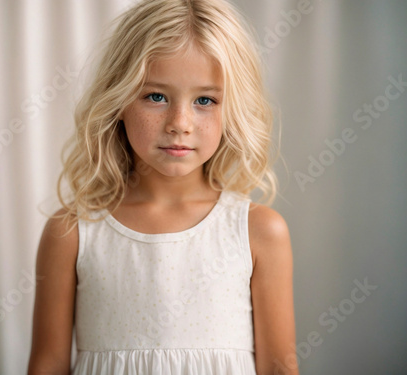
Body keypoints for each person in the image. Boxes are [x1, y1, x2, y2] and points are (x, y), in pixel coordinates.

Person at [28, 0, 298, 374]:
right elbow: (48, 363)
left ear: (232, 109)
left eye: (205, 100)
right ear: (118, 99)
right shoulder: (72, 232)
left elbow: (279, 367)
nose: (180, 123)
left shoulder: (260, 232)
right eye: (156, 96)